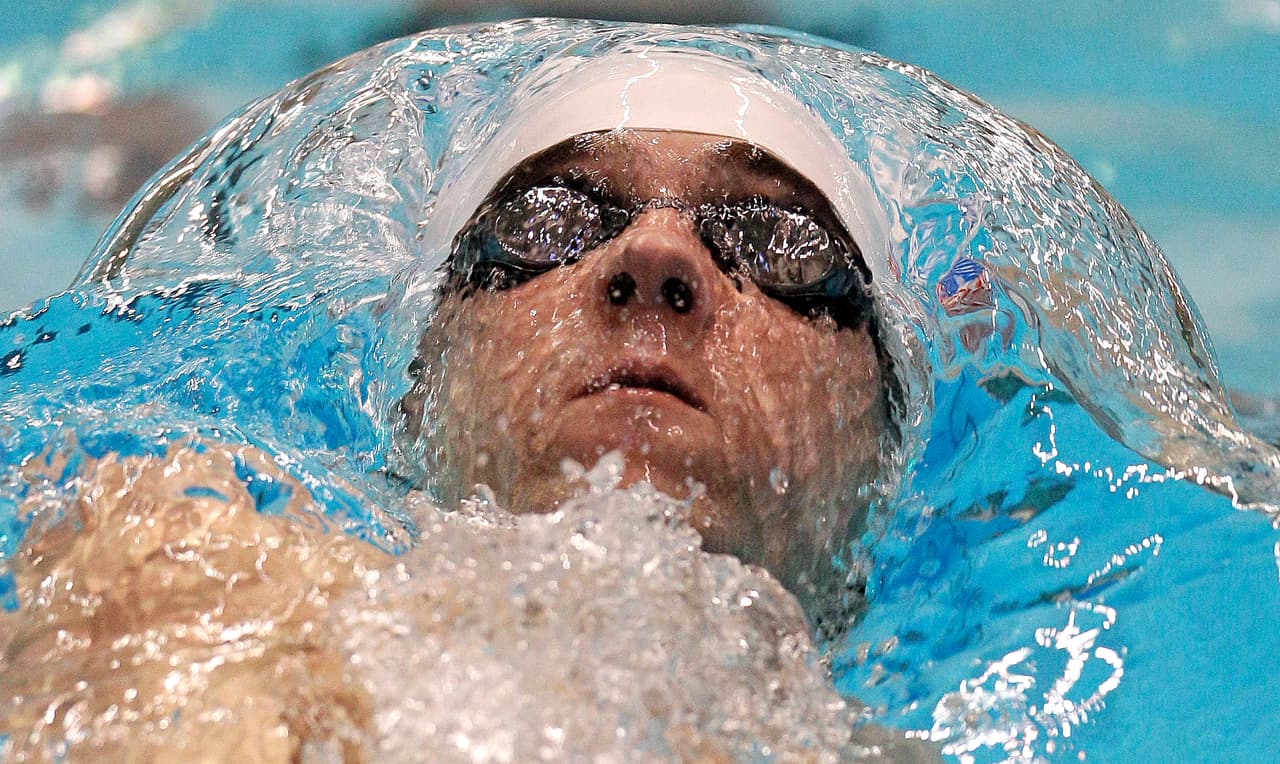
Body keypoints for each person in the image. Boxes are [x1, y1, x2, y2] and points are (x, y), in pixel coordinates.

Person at [0, 44, 909, 761]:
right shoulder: (196, 570)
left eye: (780, 240)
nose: (657, 254)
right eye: (551, 218)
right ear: (417, 393)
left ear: (887, 454)